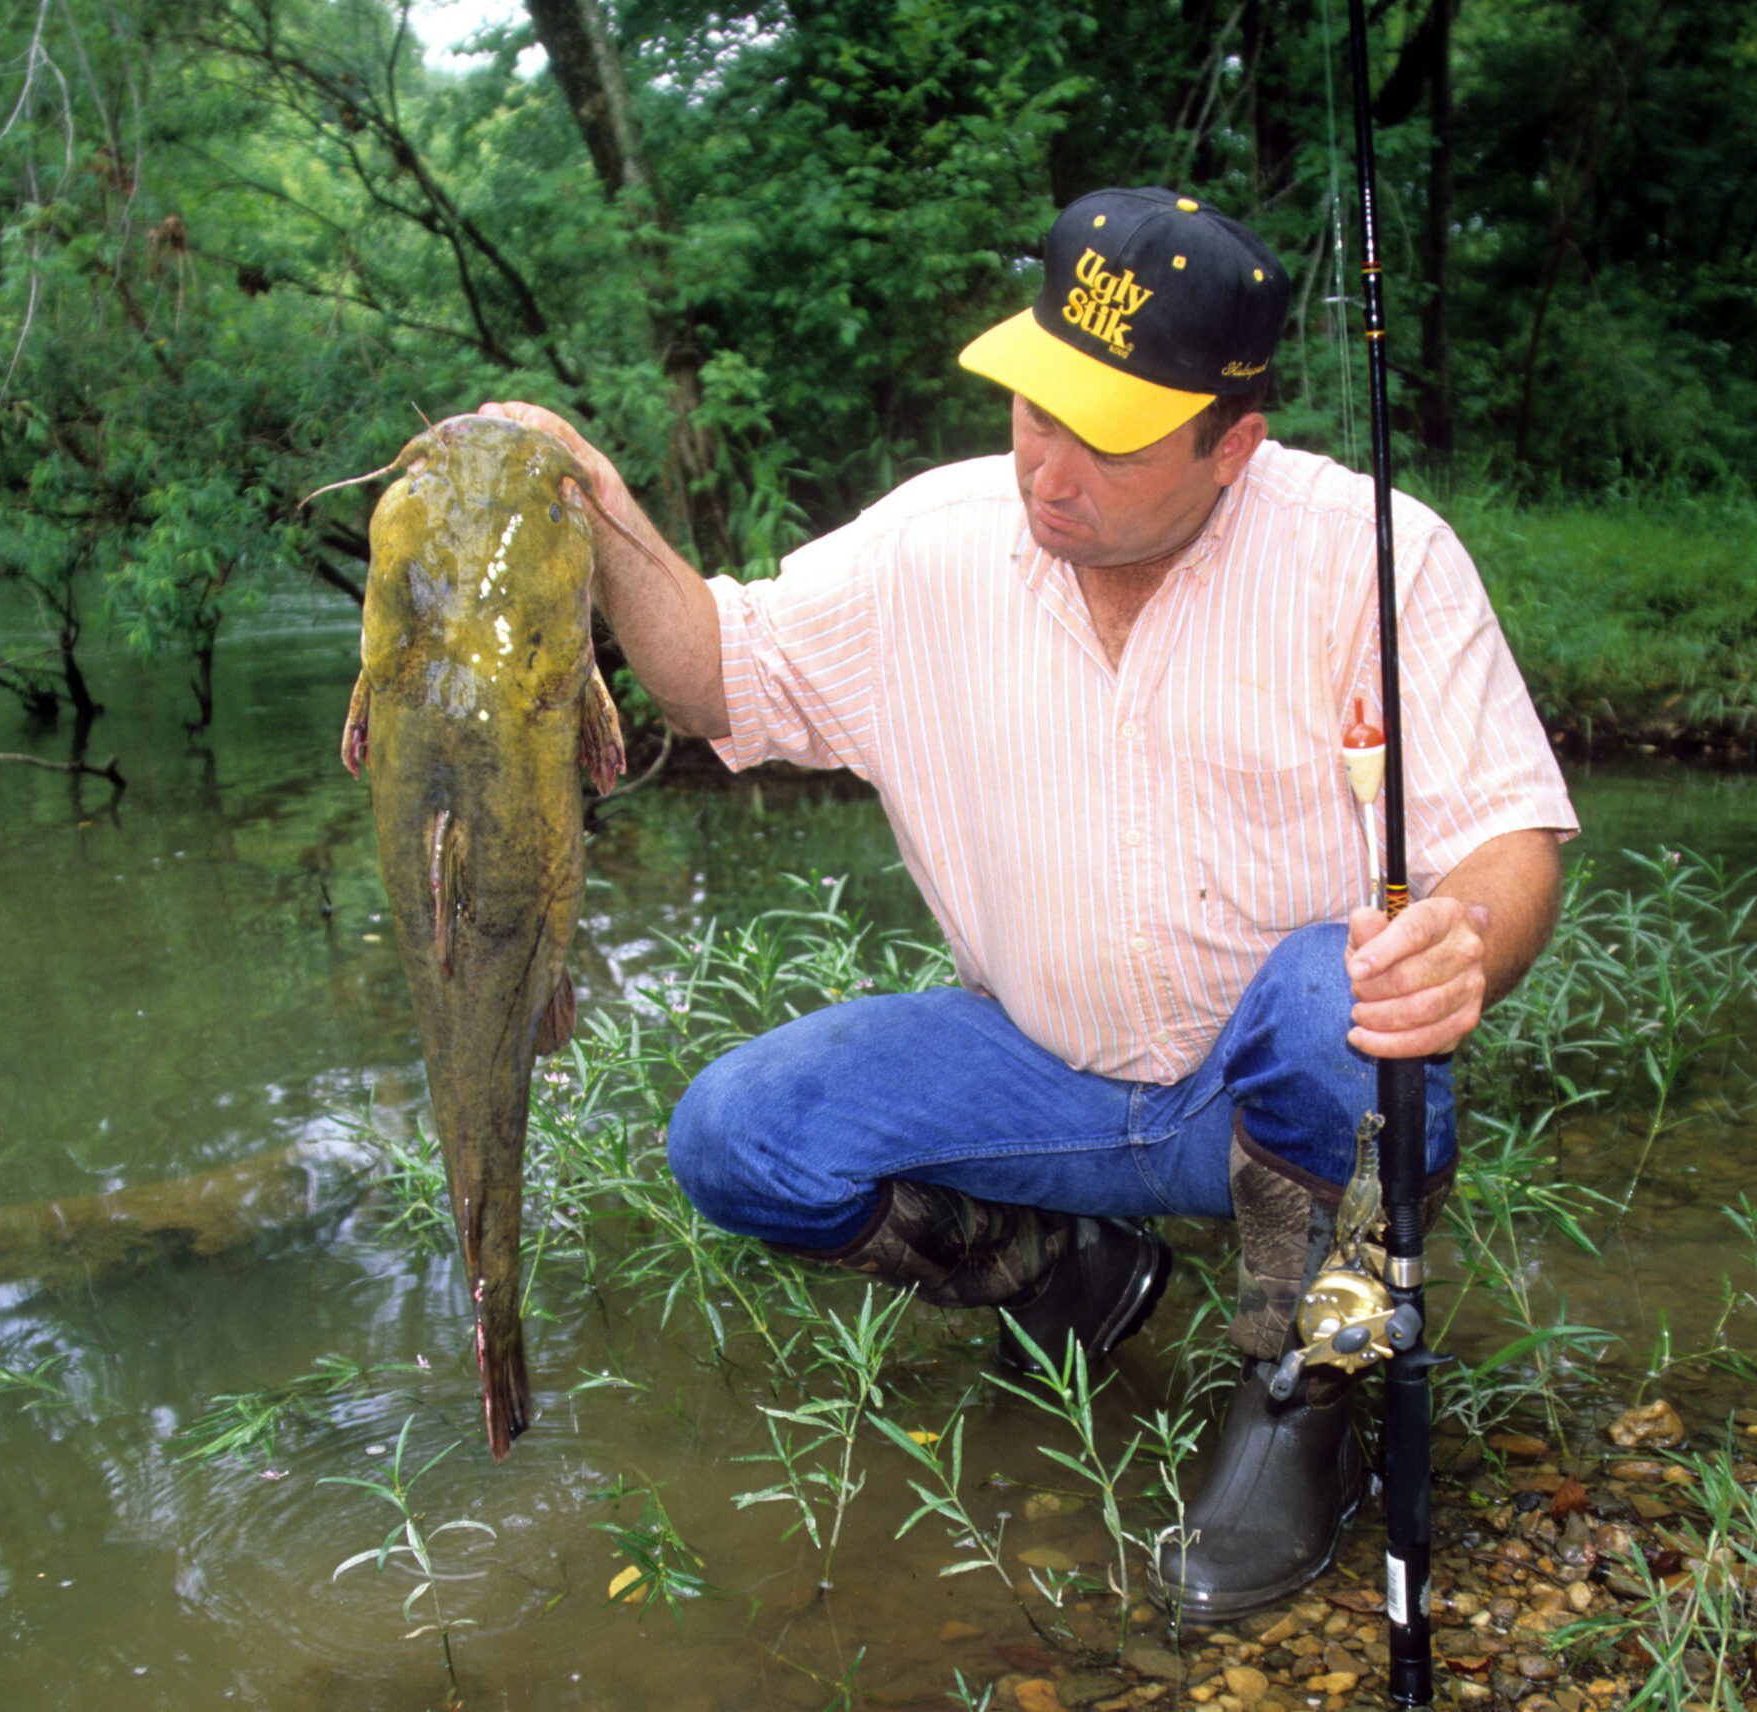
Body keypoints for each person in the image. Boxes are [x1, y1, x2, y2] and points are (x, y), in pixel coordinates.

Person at [483, 186, 1575, 1621]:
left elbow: (1512, 832)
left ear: (1232, 444)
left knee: (1336, 996)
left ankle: (1295, 1385)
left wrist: (1469, 941)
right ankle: (1068, 1272)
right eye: (1031, 409)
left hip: (1280, 1091)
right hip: (1039, 1075)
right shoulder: (931, 546)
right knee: (738, 1137)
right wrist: (596, 503)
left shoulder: (1374, 555)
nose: (1047, 469)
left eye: (1105, 437)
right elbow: (719, 676)